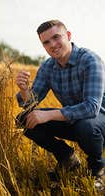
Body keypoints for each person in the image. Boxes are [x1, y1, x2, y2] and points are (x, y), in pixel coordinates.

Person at [15, 19, 105, 190]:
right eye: (46, 42)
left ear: (68, 35)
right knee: (24, 119)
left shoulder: (90, 60)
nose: (52, 45)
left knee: (86, 126)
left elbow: (92, 107)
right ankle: (67, 158)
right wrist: (25, 90)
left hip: (99, 121)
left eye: (56, 37)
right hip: (75, 120)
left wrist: (48, 114)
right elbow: (31, 103)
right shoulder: (48, 66)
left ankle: (96, 169)